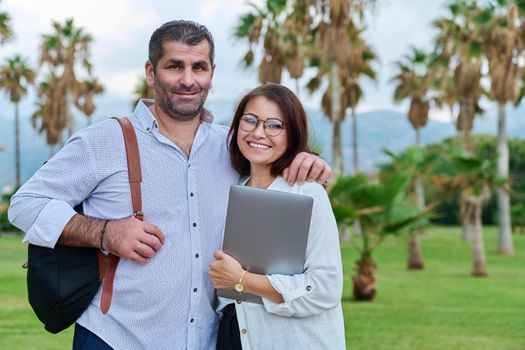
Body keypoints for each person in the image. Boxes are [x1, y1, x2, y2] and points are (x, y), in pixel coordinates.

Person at [8, 21, 331, 350]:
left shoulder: (235, 147)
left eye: (199, 67)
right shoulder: (104, 141)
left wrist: (306, 160)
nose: (188, 80)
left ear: (212, 73)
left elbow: (275, 164)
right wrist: (106, 233)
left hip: (207, 340)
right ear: (151, 72)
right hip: (115, 338)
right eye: (175, 66)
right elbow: (26, 204)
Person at [209, 83, 345, 350]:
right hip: (233, 335)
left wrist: (242, 280)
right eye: (250, 120)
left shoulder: (307, 193)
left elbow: (325, 288)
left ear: (291, 134)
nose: (259, 132)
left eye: (274, 125)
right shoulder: (231, 188)